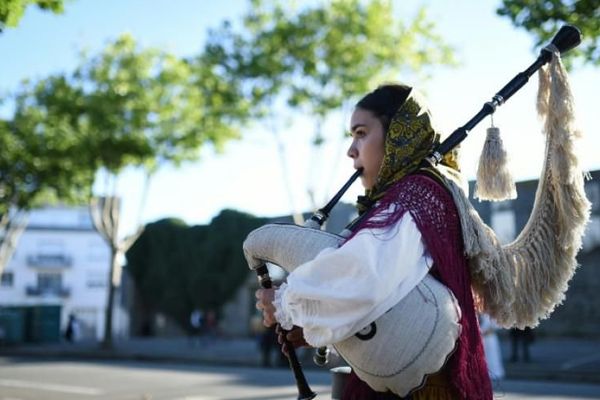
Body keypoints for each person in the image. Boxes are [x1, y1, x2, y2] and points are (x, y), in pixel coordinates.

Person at [255, 84, 493, 399]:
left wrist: (286, 305)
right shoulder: (418, 196)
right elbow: (391, 306)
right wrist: (314, 327)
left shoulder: (417, 195)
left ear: (396, 137)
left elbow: (364, 276)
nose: (351, 149)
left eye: (361, 133)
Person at [478, 312, 505, 381]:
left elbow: (495, 326)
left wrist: (484, 332)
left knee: (491, 357)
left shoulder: (490, 311)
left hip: (489, 338)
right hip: (479, 339)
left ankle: (493, 374)